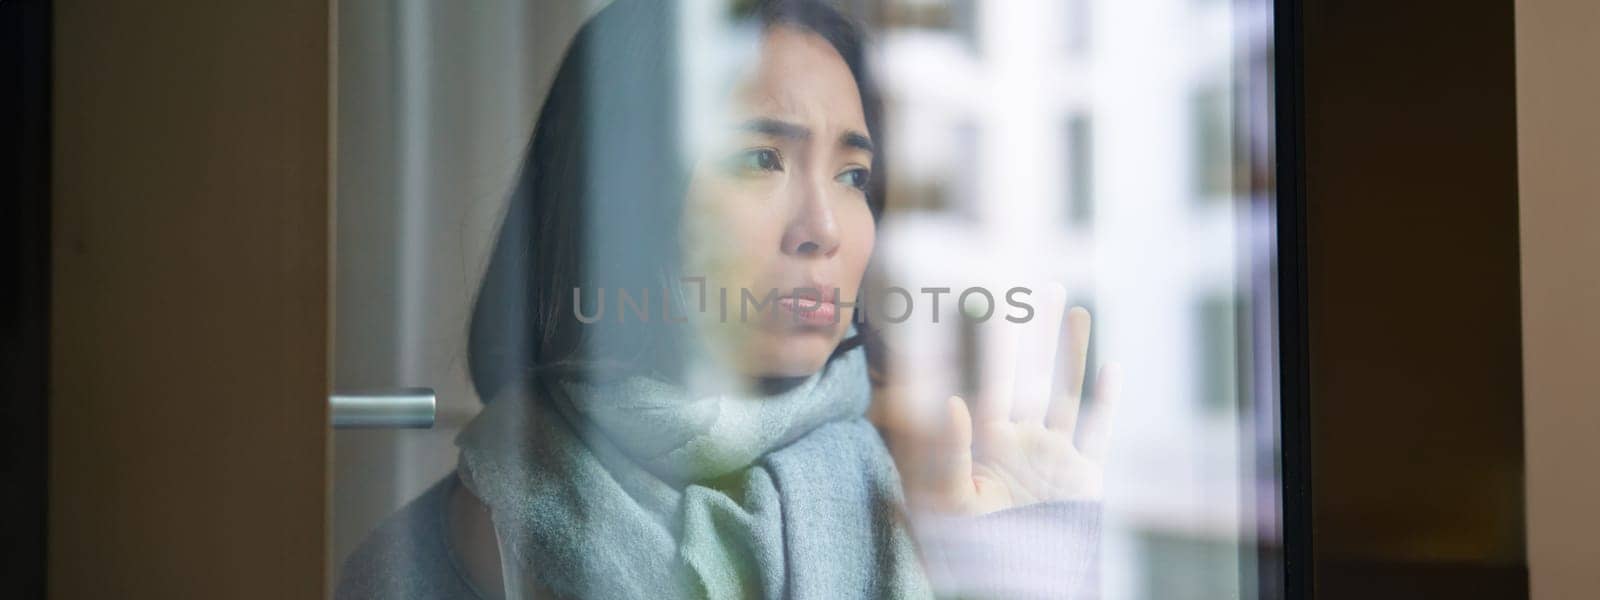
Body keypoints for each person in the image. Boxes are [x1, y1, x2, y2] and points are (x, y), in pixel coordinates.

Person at [337, 1, 1116, 598]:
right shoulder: (419, 561)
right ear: (615, 193)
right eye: (759, 157)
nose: (822, 229)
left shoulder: (930, 499)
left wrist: (1013, 575)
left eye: (852, 177)